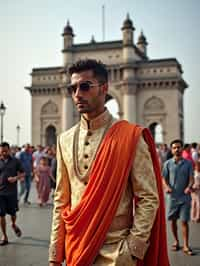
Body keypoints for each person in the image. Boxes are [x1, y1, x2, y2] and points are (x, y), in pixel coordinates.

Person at [49, 59, 169, 266]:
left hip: (117, 253)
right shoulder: (64, 140)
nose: (77, 94)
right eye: (72, 88)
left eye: (85, 86)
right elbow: (61, 201)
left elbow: (148, 197)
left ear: (104, 88)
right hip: (76, 248)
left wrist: (133, 248)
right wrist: (55, 256)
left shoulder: (130, 136)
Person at [162, 139, 194, 255]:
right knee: (173, 221)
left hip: (185, 197)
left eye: (179, 147)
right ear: (172, 149)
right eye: (174, 147)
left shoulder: (189, 163)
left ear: (182, 149)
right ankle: (176, 241)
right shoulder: (167, 164)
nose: (177, 149)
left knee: (184, 221)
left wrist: (189, 187)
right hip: (172, 198)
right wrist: (167, 187)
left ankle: (186, 245)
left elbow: (191, 179)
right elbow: (164, 179)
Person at [0, 142, 24, 245]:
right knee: (1, 215)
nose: (4, 153)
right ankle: (4, 236)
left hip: (12, 192)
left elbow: (23, 173)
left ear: (9, 150)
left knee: (13, 214)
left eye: (5, 151)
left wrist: (15, 178)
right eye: (2, 151)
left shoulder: (15, 161)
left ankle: (13, 224)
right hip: (0, 193)